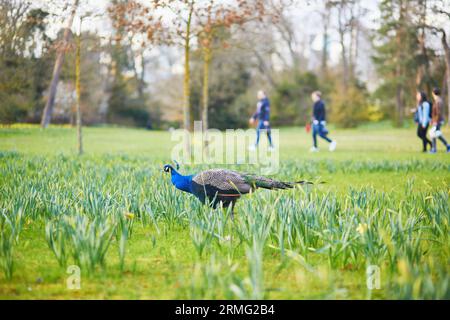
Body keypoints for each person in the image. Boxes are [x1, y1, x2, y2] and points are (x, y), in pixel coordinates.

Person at [430, 87, 450, 153]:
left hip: (438, 121)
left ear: (433, 93)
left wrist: (435, 121)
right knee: (435, 134)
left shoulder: (438, 101)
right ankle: (435, 149)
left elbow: (438, 113)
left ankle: (447, 146)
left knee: (434, 133)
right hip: (437, 120)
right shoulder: (438, 100)